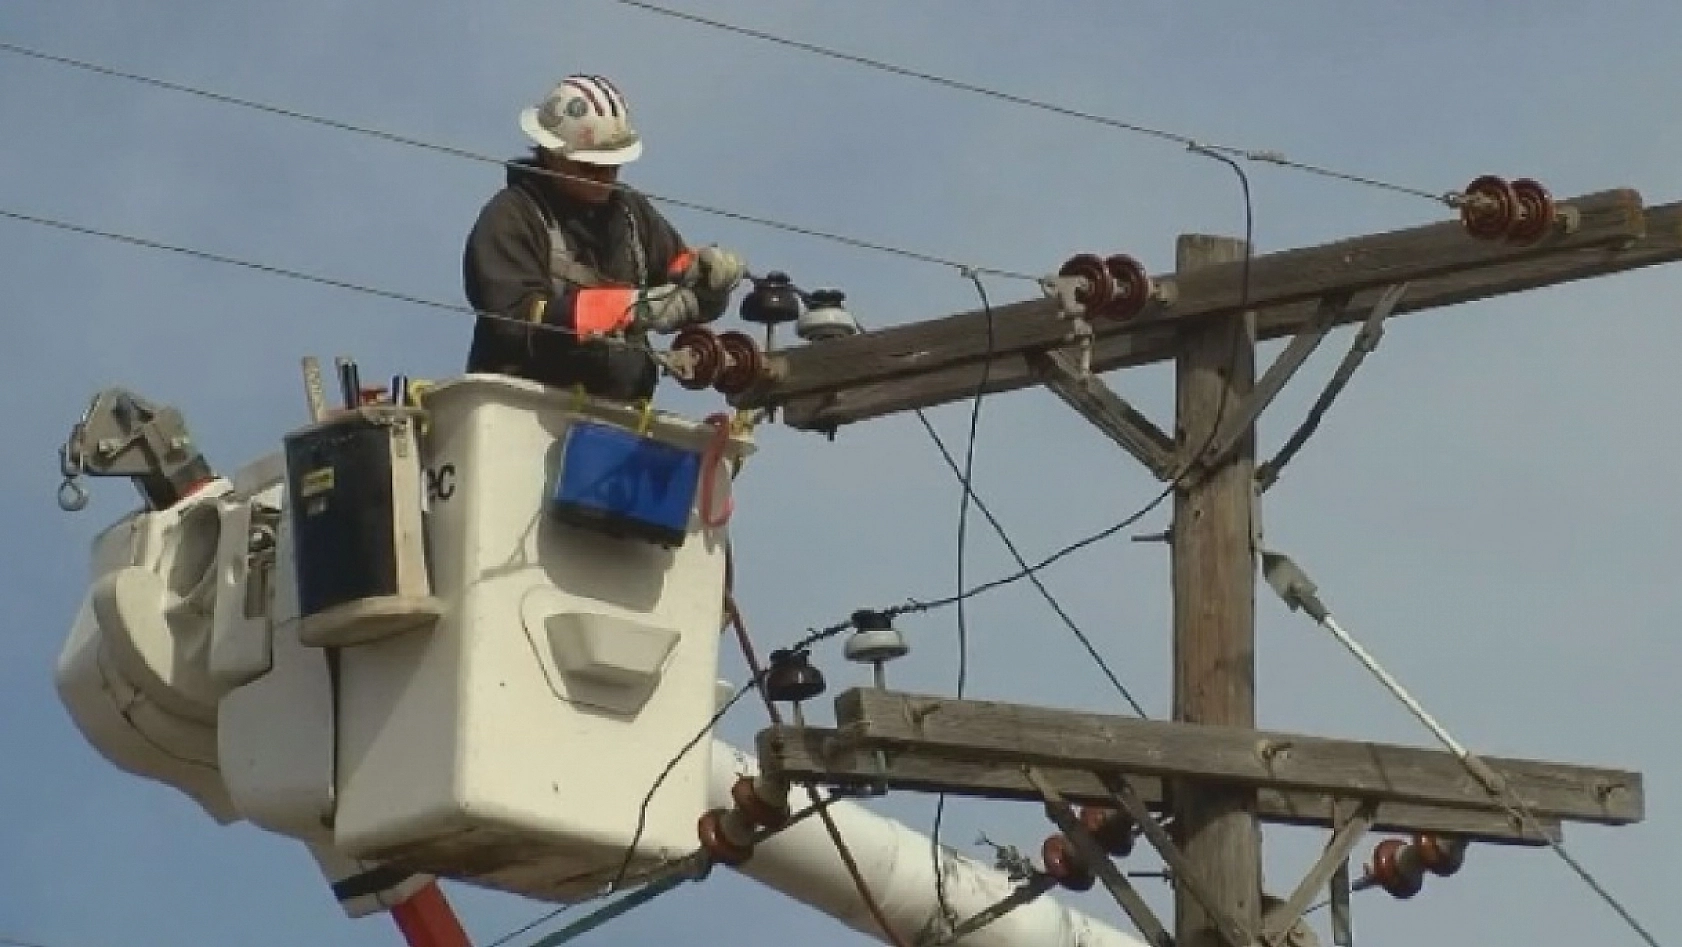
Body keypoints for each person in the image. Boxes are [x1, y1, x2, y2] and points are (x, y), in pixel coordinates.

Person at [462, 73, 746, 401]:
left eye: (613, 166)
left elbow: (680, 274)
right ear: (552, 155)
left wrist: (707, 280)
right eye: (591, 167)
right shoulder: (513, 217)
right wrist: (630, 309)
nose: (605, 177)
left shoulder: (630, 215)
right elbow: (516, 320)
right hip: (526, 413)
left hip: (617, 417)